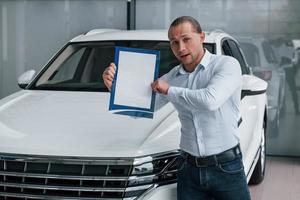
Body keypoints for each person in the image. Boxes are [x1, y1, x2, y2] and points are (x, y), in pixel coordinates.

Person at [102, 16, 250, 200]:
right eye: (174, 42)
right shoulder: (173, 76)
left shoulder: (226, 65)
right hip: (188, 170)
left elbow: (210, 100)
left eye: (186, 39)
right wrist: (115, 88)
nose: (180, 48)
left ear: (201, 37)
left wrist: (169, 90)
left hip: (226, 166)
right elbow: (142, 109)